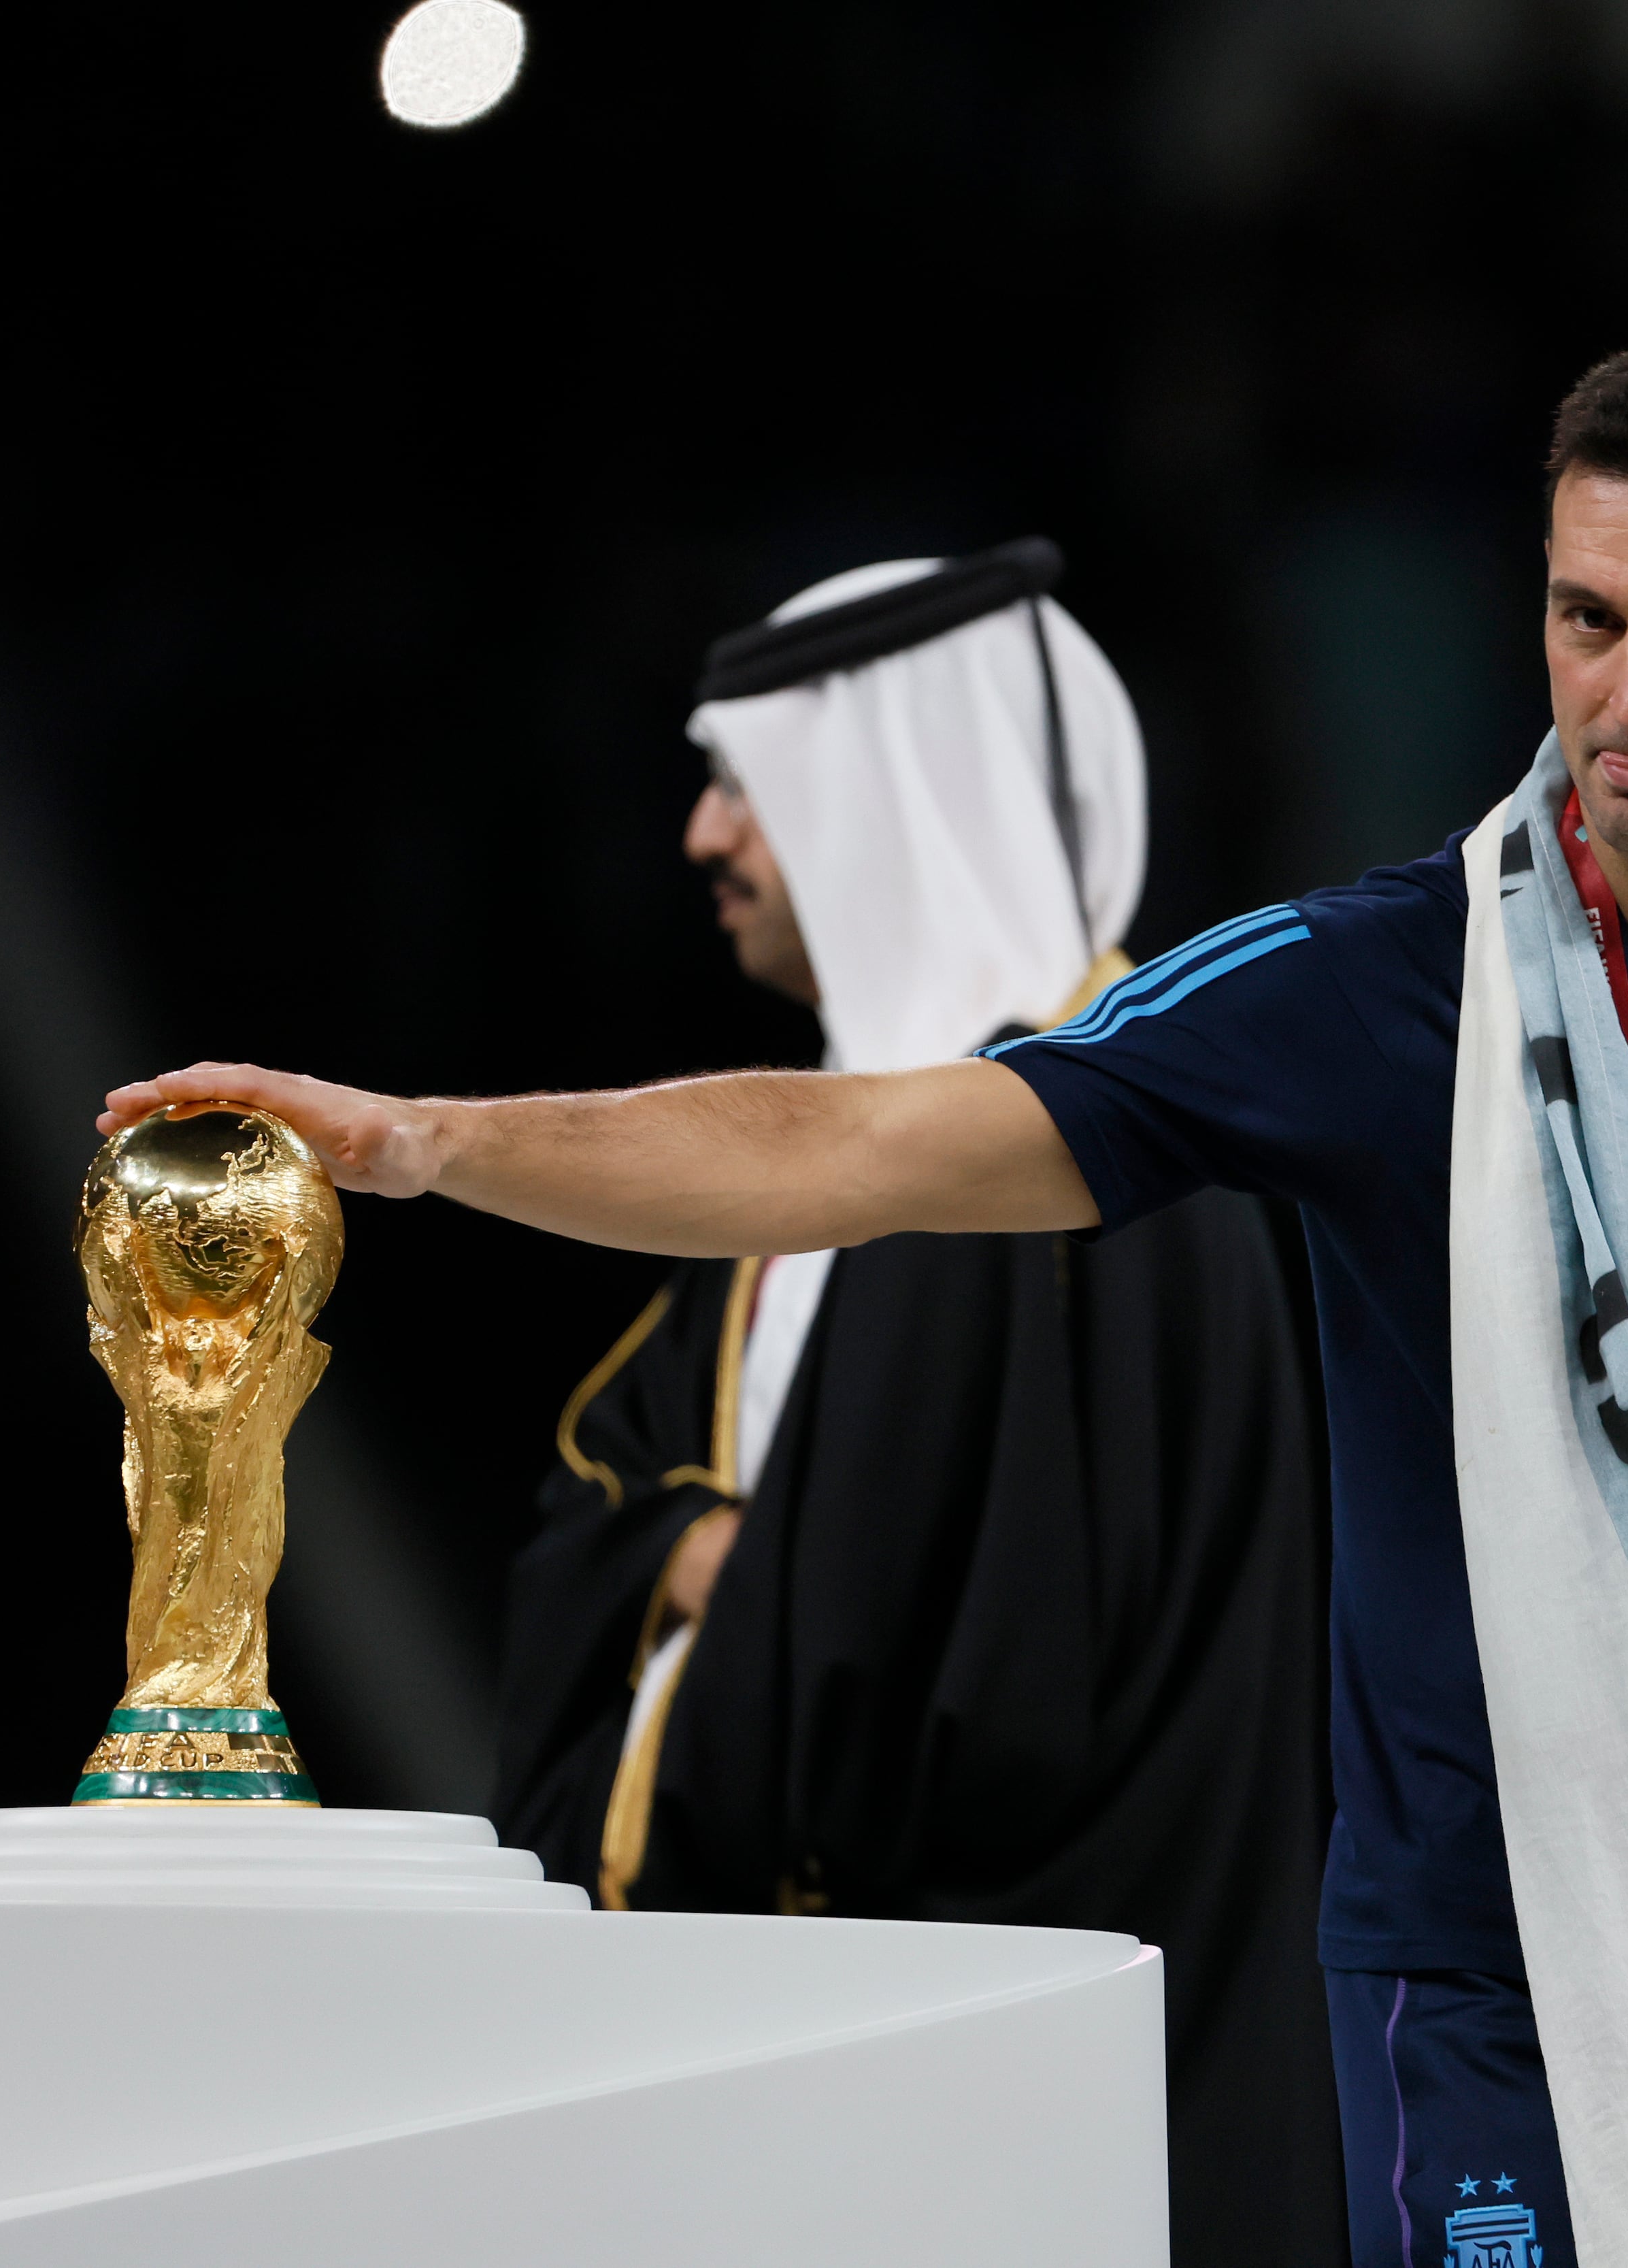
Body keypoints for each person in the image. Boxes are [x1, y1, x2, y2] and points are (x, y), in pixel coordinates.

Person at [107, 346, 1628, 2268]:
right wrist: (433, 1142)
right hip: (1486, 1978)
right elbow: (868, 1142)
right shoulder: (1377, 988)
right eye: (1587, 620)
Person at [480, 540, 1345, 2268]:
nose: (703, 838)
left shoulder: (1090, 1171)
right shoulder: (787, 1222)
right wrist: (709, 1559)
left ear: (887, 789)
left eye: (742, 782)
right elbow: (606, 1516)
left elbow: (962, 1697)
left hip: (1059, 2130)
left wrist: (738, 1574)